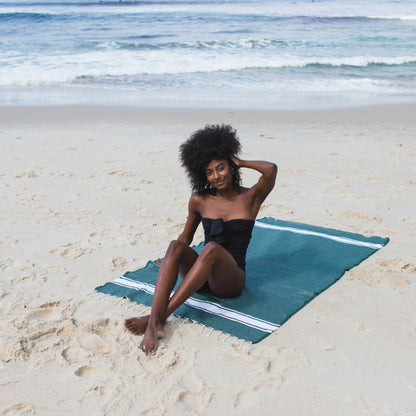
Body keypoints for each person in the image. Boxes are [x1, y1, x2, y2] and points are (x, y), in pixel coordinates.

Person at [124, 124, 277, 355]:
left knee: (212, 247)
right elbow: (185, 237)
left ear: (230, 165)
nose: (216, 176)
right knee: (175, 246)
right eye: (209, 172)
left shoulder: (250, 198)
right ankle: (156, 319)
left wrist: (240, 161)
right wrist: (168, 260)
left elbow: (271, 170)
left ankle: (156, 319)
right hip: (200, 277)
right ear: (201, 174)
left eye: (221, 168)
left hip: (229, 281)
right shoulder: (199, 199)